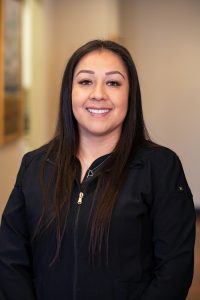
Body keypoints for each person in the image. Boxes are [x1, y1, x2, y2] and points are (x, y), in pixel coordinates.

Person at [0, 40, 196, 300]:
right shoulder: (34, 165)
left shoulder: (160, 167)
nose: (98, 94)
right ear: (69, 91)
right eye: (85, 82)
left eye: (113, 83)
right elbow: (10, 258)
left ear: (130, 94)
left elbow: (174, 270)